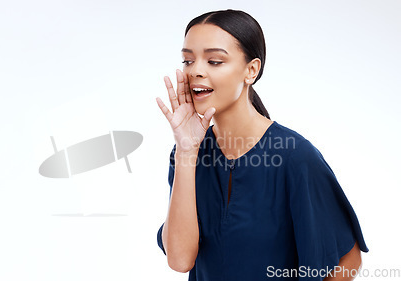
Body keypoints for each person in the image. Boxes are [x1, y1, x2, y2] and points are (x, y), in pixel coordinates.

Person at [155, 9, 369, 281]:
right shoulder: (189, 153)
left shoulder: (295, 156)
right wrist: (186, 150)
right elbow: (180, 259)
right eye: (188, 60)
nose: (195, 70)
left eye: (214, 61)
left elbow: (346, 260)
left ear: (251, 70)